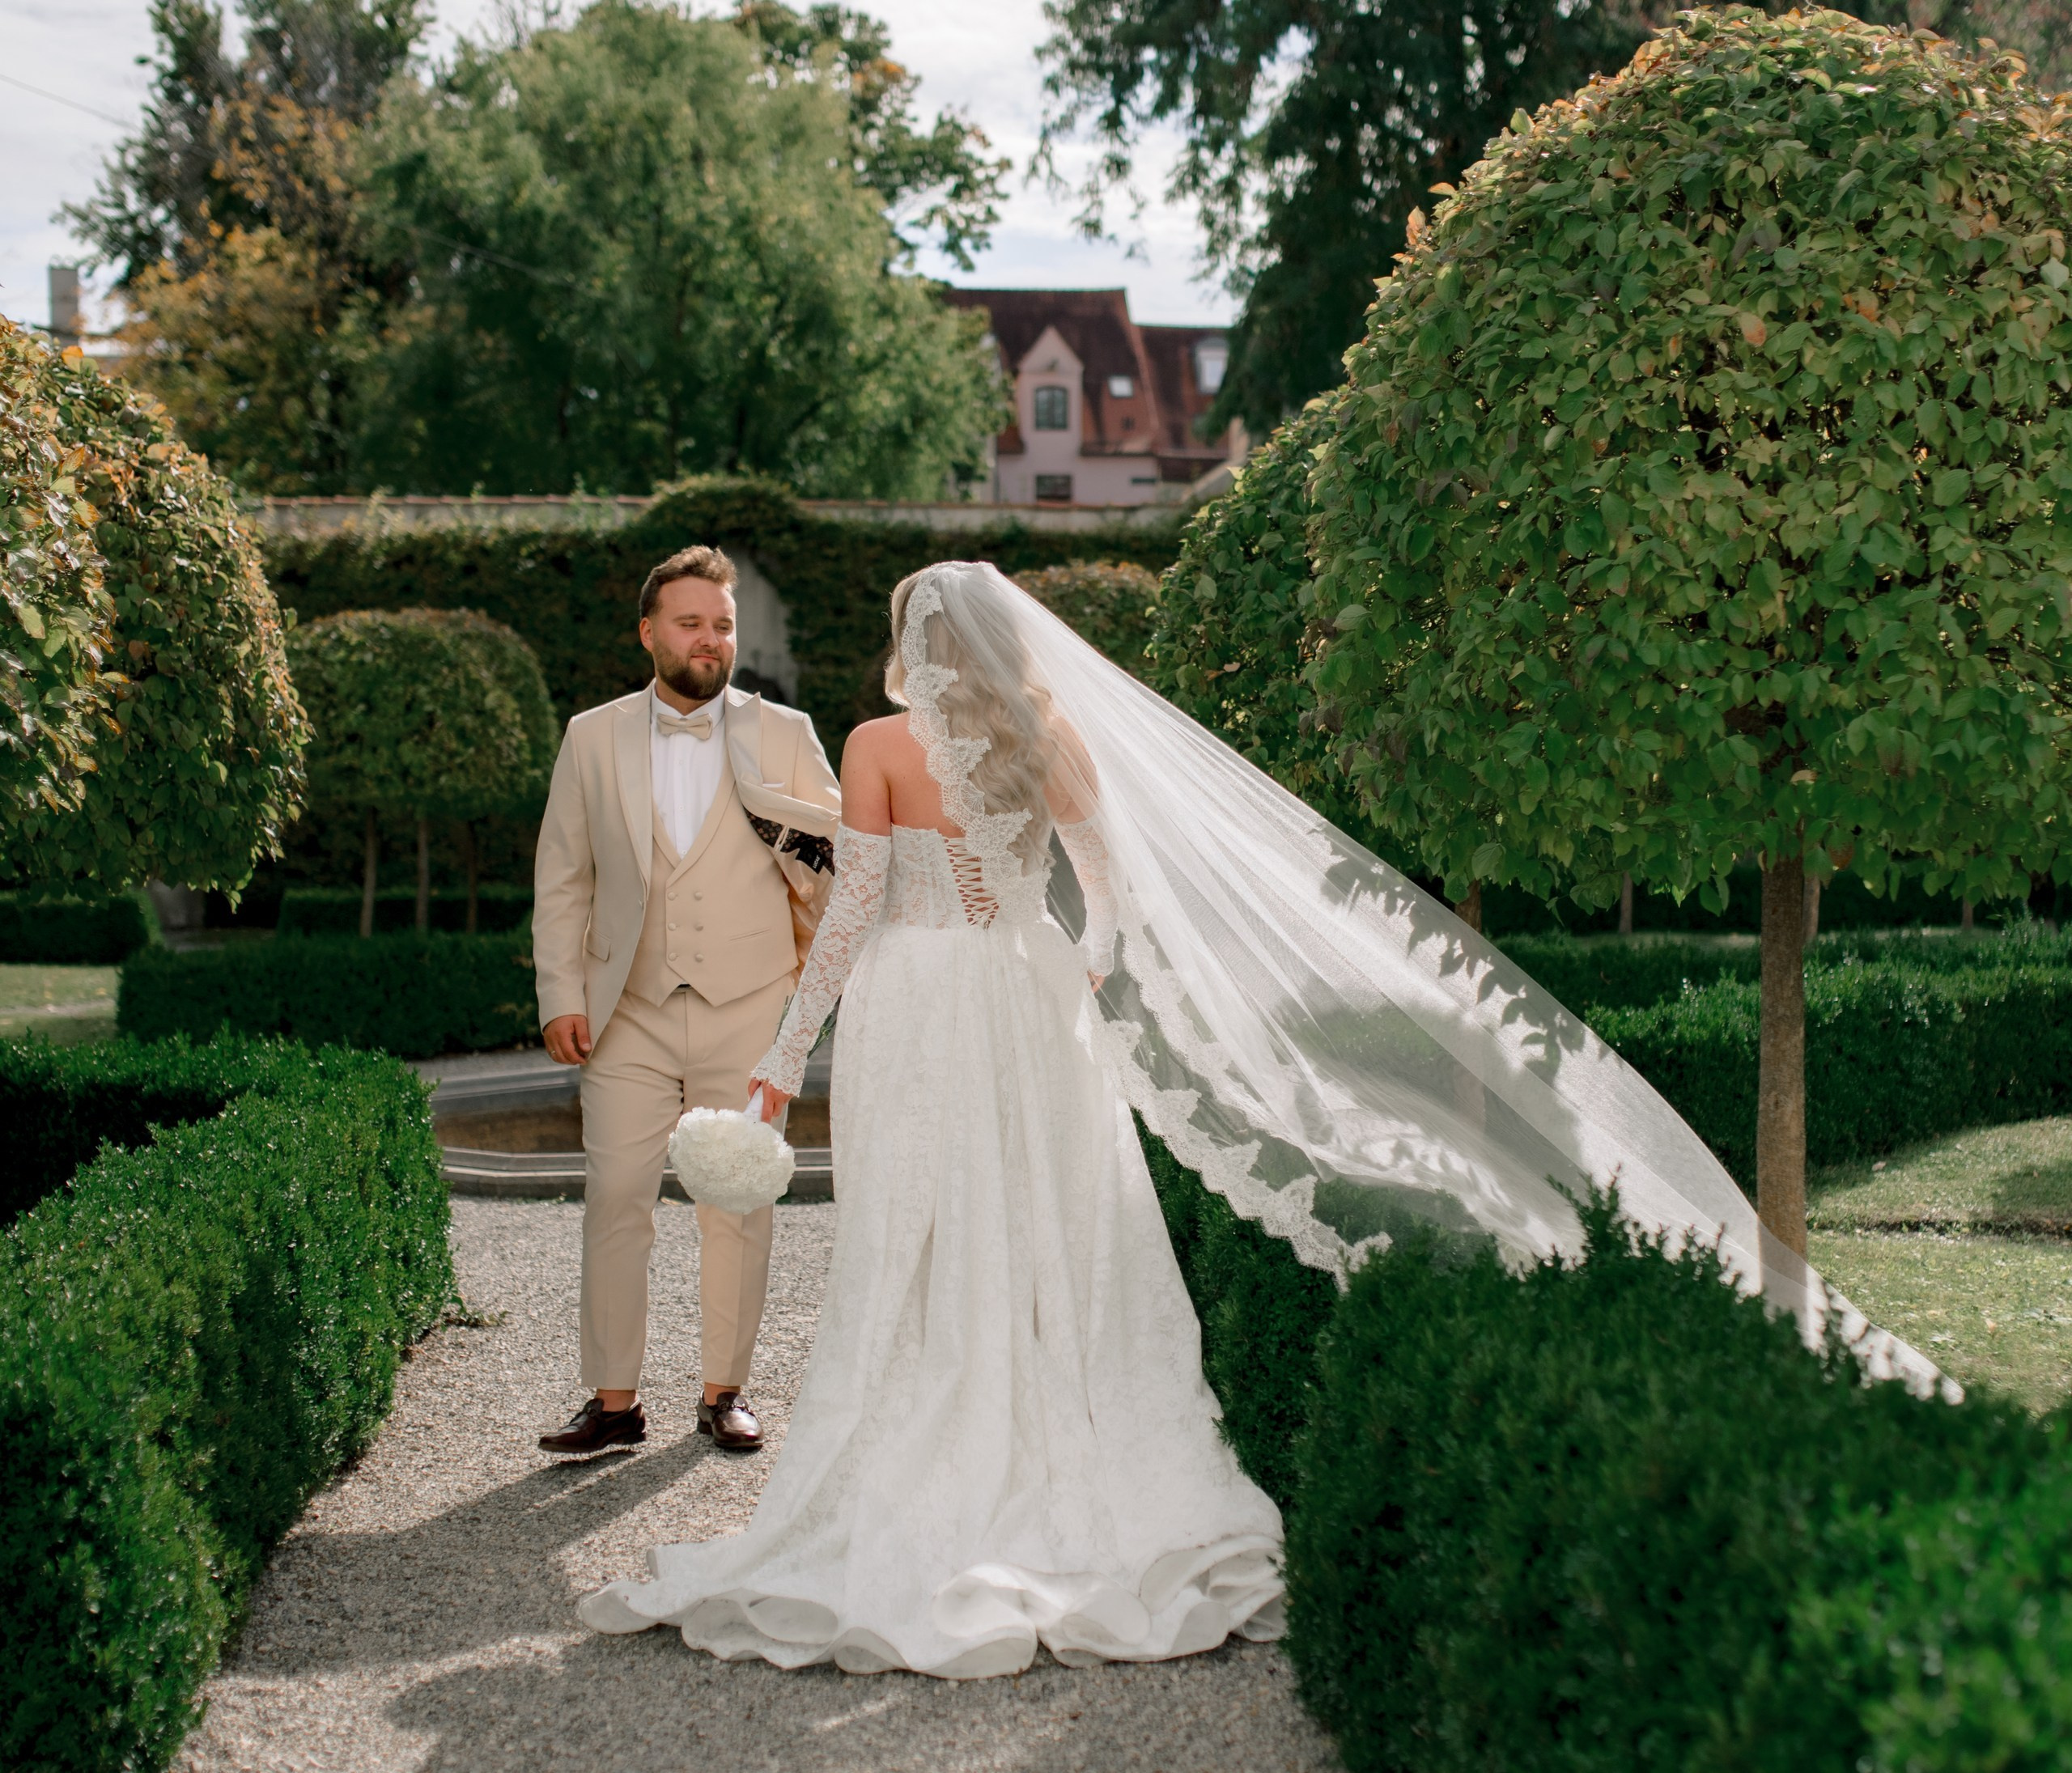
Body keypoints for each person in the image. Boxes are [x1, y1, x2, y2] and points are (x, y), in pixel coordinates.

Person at [580, 558, 1941, 1678]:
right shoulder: (1051, 738)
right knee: (1060, 1224)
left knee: (923, 1234)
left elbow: (857, 917)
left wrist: (777, 1062)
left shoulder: (876, 745)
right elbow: (1108, 889)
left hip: (919, 1008)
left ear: (912, 644)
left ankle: (920, 1447)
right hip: (1031, 1000)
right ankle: (1070, 1450)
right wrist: (1088, 964)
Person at [531, 545, 840, 1458]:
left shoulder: (786, 732)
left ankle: (725, 1392)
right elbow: (563, 875)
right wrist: (559, 994)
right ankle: (614, 1402)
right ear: (648, 632)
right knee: (616, 1195)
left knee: (736, 1204)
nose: (709, 640)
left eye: (722, 625)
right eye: (690, 623)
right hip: (625, 1005)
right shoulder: (592, 734)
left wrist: (803, 987)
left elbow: (834, 867)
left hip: (748, 1000)